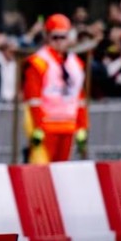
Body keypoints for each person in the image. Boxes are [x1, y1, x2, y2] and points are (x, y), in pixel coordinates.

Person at [21, 14, 88, 164]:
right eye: (55, 37)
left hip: (68, 125)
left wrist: (82, 126)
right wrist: (37, 127)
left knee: (62, 170)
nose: (59, 42)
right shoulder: (38, 62)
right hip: (46, 127)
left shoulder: (75, 64)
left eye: (62, 37)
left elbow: (79, 97)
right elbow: (32, 98)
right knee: (41, 171)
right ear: (47, 37)